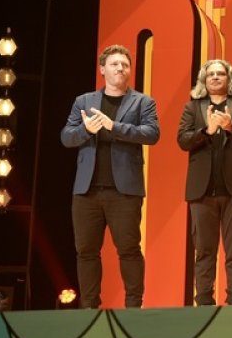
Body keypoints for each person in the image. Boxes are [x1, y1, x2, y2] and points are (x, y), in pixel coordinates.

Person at [60, 44, 160, 308]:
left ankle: (133, 306)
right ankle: (89, 307)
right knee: (86, 251)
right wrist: (86, 129)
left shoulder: (143, 101)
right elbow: (66, 137)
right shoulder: (84, 101)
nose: (120, 68)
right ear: (103, 69)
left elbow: (151, 134)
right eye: (115, 64)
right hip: (86, 191)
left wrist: (114, 127)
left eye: (125, 65)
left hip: (124, 191)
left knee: (128, 250)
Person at [177, 59, 232, 306]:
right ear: (204, 80)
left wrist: (231, 126)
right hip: (201, 192)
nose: (215, 77)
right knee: (204, 252)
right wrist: (207, 131)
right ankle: (203, 303)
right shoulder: (192, 108)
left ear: (229, 78)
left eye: (220, 74)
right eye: (210, 74)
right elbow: (183, 141)